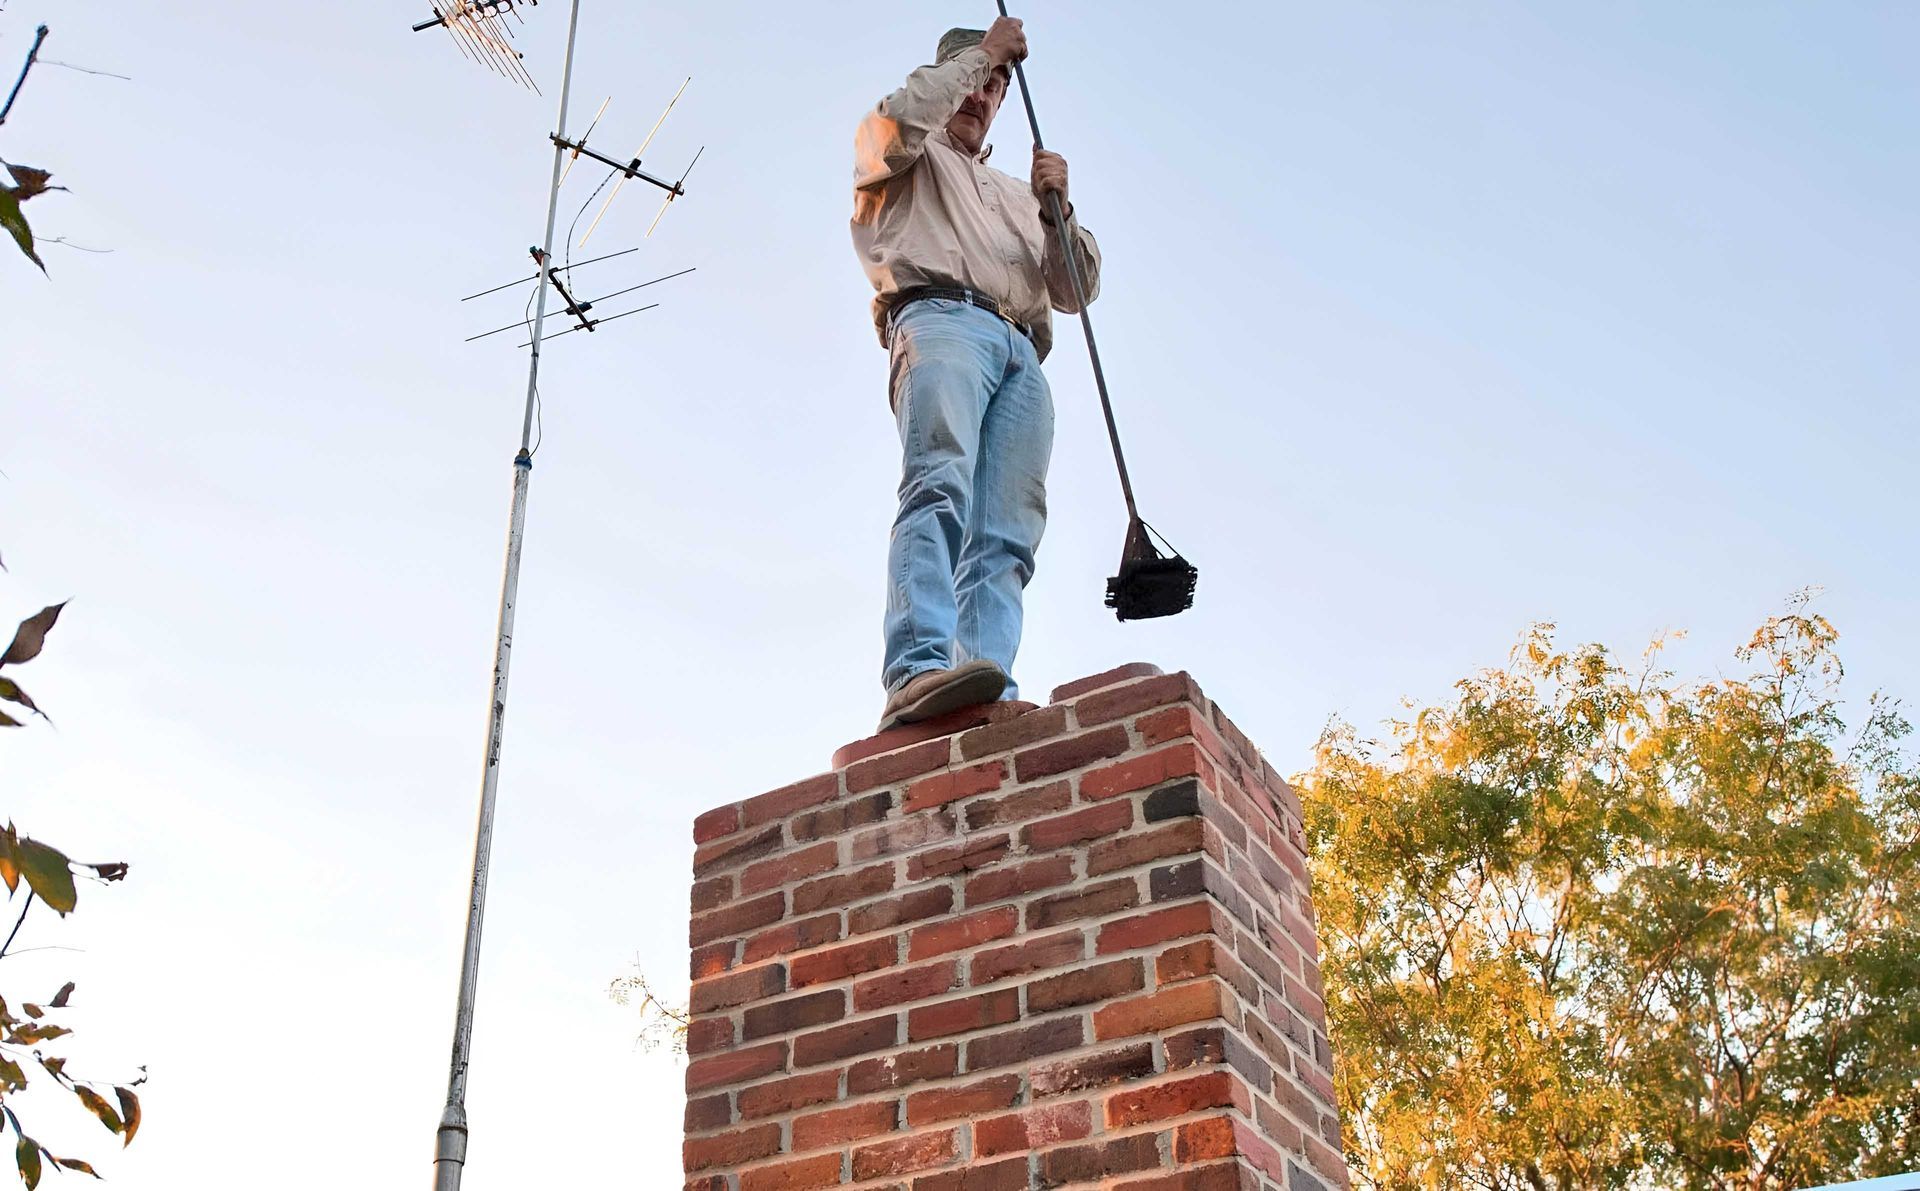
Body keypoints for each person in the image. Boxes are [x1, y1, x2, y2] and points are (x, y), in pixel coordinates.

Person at [852, 17, 1102, 731]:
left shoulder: (1017, 192)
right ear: (948, 72)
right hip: (939, 318)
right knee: (939, 482)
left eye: (996, 84)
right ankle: (916, 667)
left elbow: (1075, 291)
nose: (985, 93)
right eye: (974, 75)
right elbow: (899, 121)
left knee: (1008, 534)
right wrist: (986, 52)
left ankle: (983, 684)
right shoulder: (901, 148)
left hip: (1023, 350)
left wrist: (1059, 213)